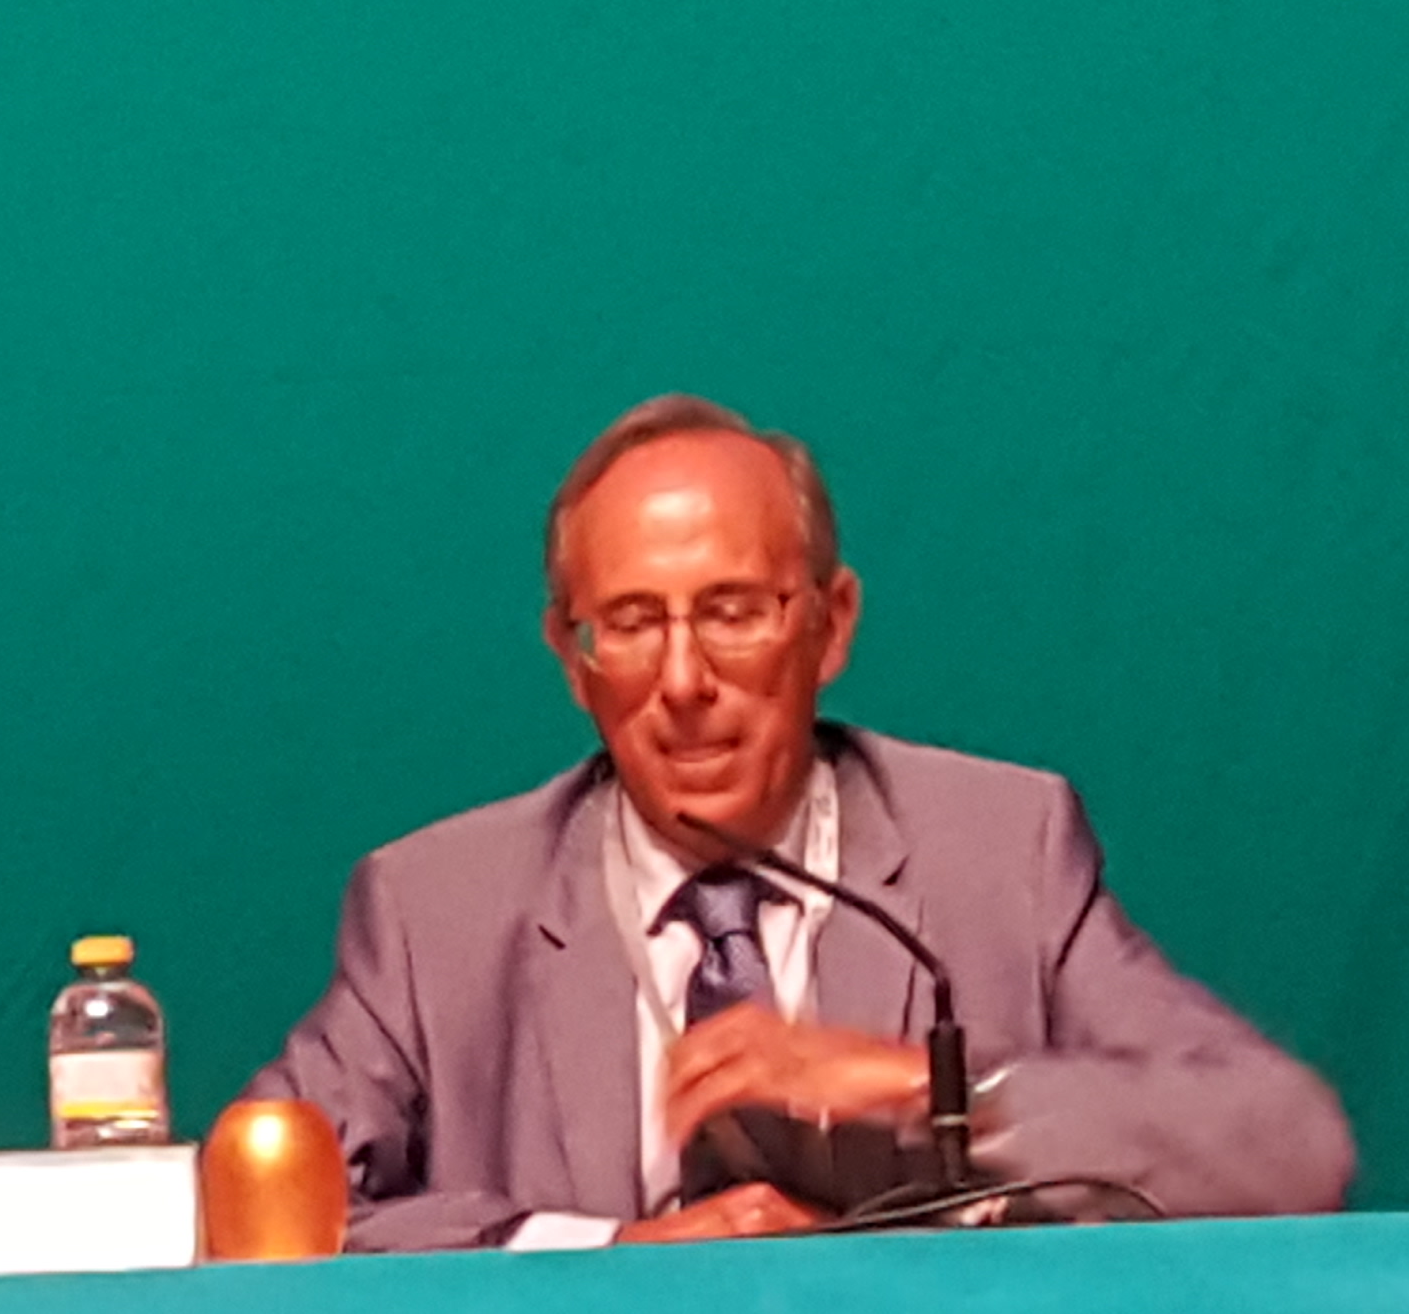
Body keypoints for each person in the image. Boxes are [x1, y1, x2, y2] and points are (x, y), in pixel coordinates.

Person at [251, 396, 1351, 1250]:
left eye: (732, 612)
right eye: (630, 624)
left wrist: (919, 1087)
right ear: (571, 661)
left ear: (831, 625)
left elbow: (1289, 1150)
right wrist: (607, 1255)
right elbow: (262, 1216)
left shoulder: (998, 852)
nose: (683, 681)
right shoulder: (436, 910)